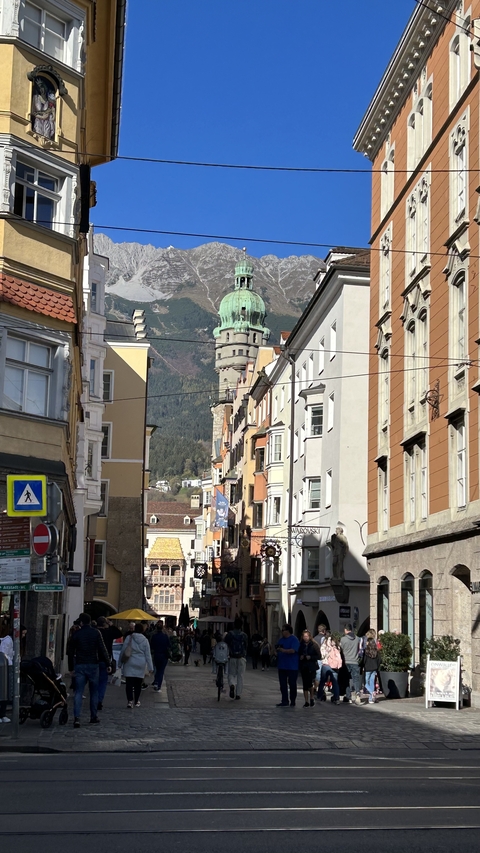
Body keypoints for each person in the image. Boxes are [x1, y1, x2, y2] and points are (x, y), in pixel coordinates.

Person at [68, 613, 111, 728]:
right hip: (93, 664)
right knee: (94, 692)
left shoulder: (77, 634)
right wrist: (108, 663)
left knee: (78, 692)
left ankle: (77, 718)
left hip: (80, 664)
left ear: (81, 623)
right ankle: (93, 716)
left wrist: (70, 668)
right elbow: (102, 648)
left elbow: (70, 652)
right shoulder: (96, 632)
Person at [121, 623, 153, 709]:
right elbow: (148, 655)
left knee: (129, 683)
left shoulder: (129, 637)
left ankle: (129, 701)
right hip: (140, 663)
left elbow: (123, 650)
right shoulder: (145, 640)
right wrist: (150, 667)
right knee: (138, 684)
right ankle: (137, 700)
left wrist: (120, 663)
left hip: (130, 662)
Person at [96, 616, 122, 710]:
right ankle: (99, 700)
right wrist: (112, 625)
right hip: (105, 660)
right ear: (105, 624)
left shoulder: (94, 632)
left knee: (95, 681)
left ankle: (94, 699)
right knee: (103, 681)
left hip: (94, 660)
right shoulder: (108, 632)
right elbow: (119, 633)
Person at [275, 624, 300, 707]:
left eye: (283, 630)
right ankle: (284, 700)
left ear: (288, 631)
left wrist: (283, 650)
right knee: (282, 684)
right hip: (282, 665)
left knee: (292, 684)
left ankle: (293, 700)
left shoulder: (294, 639)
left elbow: (293, 650)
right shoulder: (281, 640)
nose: (282, 632)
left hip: (292, 666)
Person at [225, 617, 248, 700]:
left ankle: (232, 684)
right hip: (241, 657)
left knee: (231, 673)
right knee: (240, 676)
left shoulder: (229, 634)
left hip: (232, 657)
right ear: (241, 625)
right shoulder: (244, 635)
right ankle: (238, 694)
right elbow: (246, 646)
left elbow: (225, 644)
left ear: (234, 625)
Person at [317, 631, 342, 705]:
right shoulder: (337, 644)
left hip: (326, 665)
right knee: (335, 682)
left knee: (322, 681)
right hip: (335, 667)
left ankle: (320, 695)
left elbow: (322, 655)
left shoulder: (325, 644)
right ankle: (336, 698)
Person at [340, 623, 362, 705]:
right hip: (355, 661)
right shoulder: (357, 639)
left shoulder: (343, 639)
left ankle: (348, 696)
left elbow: (340, 651)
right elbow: (360, 650)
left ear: (345, 630)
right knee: (356, 679)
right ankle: (357, 694)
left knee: (346, 680)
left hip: (346, 662)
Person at [298, 630, 320, 707]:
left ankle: (311, 697)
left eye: (307, 636)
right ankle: (306, 701)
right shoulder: (301, 645)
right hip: (304, 666)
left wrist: (310, 657)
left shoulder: (314, 645)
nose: (305, 638)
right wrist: (300, 657)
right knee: (305, 684)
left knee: (310, 683)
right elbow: (298, 653)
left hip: (311, 666)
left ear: (309, 637)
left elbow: (319, 656)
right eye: (304, 636)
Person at [150, 621, 170, 691]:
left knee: (157, 669)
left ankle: (155, 681)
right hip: (164, 655)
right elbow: (169, 645)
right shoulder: (165, 636)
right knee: (161, 671)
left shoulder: (154, 636)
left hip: (156, 655)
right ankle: (158, 685)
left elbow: (151, 646)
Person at [0, 623, 13, 723]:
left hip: (6, 666)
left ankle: (2, 714)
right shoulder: (7, 640)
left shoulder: (8, 640)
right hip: (5, 666)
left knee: (4, 691)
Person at [363, 636, 381, 704]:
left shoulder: (366, 650)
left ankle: (371, 692)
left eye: (367, 641)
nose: (366, 642)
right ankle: (371, 699)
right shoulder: (376, 651)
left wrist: (363, 665)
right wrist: (377, 666)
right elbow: (379, 660)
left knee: (366, 683)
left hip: (367, 668)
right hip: (374, 668)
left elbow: (364, 660)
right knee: (372, 682)